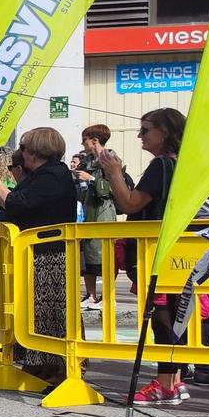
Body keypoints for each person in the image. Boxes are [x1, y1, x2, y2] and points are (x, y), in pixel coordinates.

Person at [99, 107, 209, 404]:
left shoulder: (161, 165)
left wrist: (113, 173)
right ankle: (173, 380)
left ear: (165, 133)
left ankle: (166, 383)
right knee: (177, 314)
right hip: (181, 252)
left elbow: (129, 204)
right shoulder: (184, 165)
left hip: (159, 252)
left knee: (162, 316)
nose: (140, 135)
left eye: (146, 129)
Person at [0, 127, 77, 377]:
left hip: (50, 253)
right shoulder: (41, 175)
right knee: (36, 310)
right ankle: (40, 362)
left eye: (23, 149)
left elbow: (15, 205)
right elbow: (14, 209)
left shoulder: (53, 175)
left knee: (51, 309)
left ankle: (59, 365)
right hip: (36, 252)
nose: (20, 156)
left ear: (35, 151)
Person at [73, 124, 124, 308]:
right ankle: (91, 295)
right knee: (87, 254)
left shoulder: (111, 160)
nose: (83, 143)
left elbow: (116, 188)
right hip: (87, 211)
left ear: (94, 140)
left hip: (103, 212)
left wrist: (92, 179)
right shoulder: (86, 161)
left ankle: (108, 296)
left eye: (85, 140)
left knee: (103, 254)